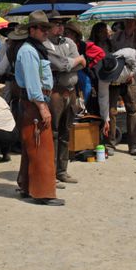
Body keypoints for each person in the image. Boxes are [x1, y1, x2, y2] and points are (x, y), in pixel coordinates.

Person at [15, 10, 63, 206]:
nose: (45, 32)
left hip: (32, 103)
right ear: (32, 29)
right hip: (34, 103)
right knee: (41, 148)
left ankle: (27, 187)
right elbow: (33, 83)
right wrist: (42, 107)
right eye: (42, 28)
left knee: (32, 148)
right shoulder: (28, 51)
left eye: (46, 28)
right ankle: (43, 192)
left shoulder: (34, 49)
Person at [45, 12, 85, 183]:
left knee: (66, 131)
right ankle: (51, 172)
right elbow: (58, 64)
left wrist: (69, 64)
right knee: (53, 132)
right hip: (55, 91)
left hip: (71, 90)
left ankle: (62, 170)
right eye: (56, 24)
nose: (60, 27)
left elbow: (83, 63)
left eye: (62, 24)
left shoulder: (69, 42)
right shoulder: (45, 44)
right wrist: (72, 62)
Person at [97, 47, 136, 156]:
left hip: (128, 80)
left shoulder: (127, 54)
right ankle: (110, 144)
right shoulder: (103, 80)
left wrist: (132, 73)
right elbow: (103, 98)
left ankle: (134, 145)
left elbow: (134, 56)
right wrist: (105, 118)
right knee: (111, 111)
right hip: (113, 86)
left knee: (134, 110)